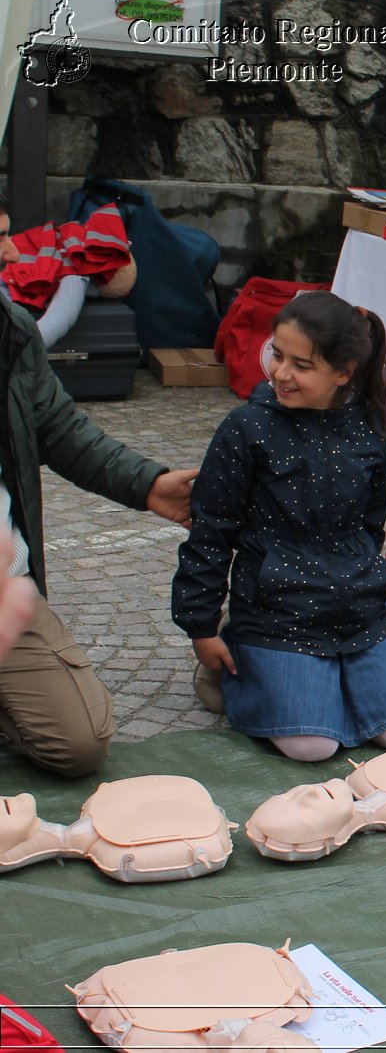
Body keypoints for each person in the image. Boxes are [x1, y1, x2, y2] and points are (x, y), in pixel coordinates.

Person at [173, 292, 386, 763]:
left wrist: (361, 581)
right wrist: (200, 626)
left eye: (302, 364)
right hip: (276, 607)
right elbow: (211, 534)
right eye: (279, 355)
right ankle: (237, 666)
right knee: (312, 745)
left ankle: (326, 676)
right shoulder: (246, 427)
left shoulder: (370, 424)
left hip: (353, 604)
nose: (282, 373)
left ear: (344, 372)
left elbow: (373, 521)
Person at [0, 195, 197, 776]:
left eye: (7, 233)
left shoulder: (8, 328)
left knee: (79, 743)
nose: (10, 252)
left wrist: (150, 484)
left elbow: (57, 427)